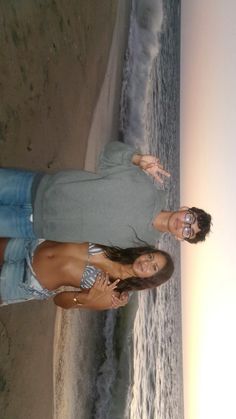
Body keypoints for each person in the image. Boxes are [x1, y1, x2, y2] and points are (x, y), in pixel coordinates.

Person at [0, 141, 211, 247]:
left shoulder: (140, 247)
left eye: (188, 232)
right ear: (185, 209)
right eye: (189, 218)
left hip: (34, 227)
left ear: (181, 239)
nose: (183, 225)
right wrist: (137, 159)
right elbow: (108, 154)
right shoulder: (145, 187)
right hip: (39, 188)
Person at [0, 238, 174, 310]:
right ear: (145, 252)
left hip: (26, 281)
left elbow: (59, 301)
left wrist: (87, 299)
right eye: (150, 257)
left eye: (153, 268)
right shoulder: (119, 244)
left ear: (150, 279)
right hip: (30, 244)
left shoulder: (112, 293)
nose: (146, 263)